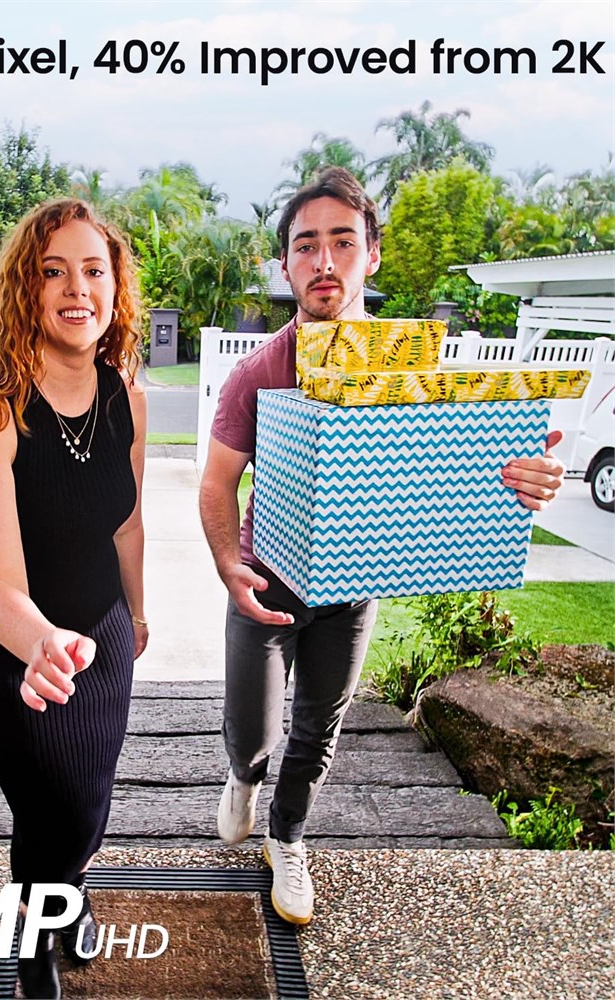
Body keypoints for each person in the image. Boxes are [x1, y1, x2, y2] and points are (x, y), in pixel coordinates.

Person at [199, 167, 565, 926]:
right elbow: (217, 482)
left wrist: (520, 477)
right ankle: (242, 776)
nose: (324, 261)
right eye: (306, 246)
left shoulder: (415, 370)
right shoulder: (257, 372)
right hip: (264, 583)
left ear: (372, 255)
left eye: (342, 242)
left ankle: (287, 838)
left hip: (351, 585)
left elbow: (455, 463)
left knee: (317, 729)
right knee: (253, 730)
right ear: (286, 264)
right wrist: (230, 565)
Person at [0, 198, 147, 999]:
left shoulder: (126, 394)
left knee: (87, 808)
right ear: (25, 289)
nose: (77, 288)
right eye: (53, 271)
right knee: (51, 807)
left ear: (115, 287)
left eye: (93, 270)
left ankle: (70, 893)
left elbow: (127, 523)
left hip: (102, 638)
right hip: (11, 651)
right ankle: (32, 944)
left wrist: (137, 614)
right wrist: (41, 644)